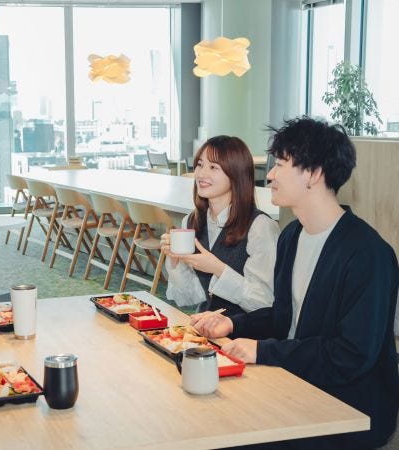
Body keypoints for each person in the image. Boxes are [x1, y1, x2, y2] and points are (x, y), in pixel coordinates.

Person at [192, 118, 399, 449]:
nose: (270, 175)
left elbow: (350, 355)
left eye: (281, 164)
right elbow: (282, 317)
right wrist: (232, 323)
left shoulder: (367, 254)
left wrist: (263, 350)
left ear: (313, 174)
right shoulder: (292, 235)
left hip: (350, 404)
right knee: (202, 411)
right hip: (294, 378)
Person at [160, 135, 279, 317]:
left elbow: (264, 303)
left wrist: (218, 269)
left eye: (213, 167)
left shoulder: (260, 226)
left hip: (244, 332)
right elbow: (188, 298)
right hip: (204, 326)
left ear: (236, 174)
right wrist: (175, 260)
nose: (201, 174)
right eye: (200, 164)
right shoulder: (191, 221)